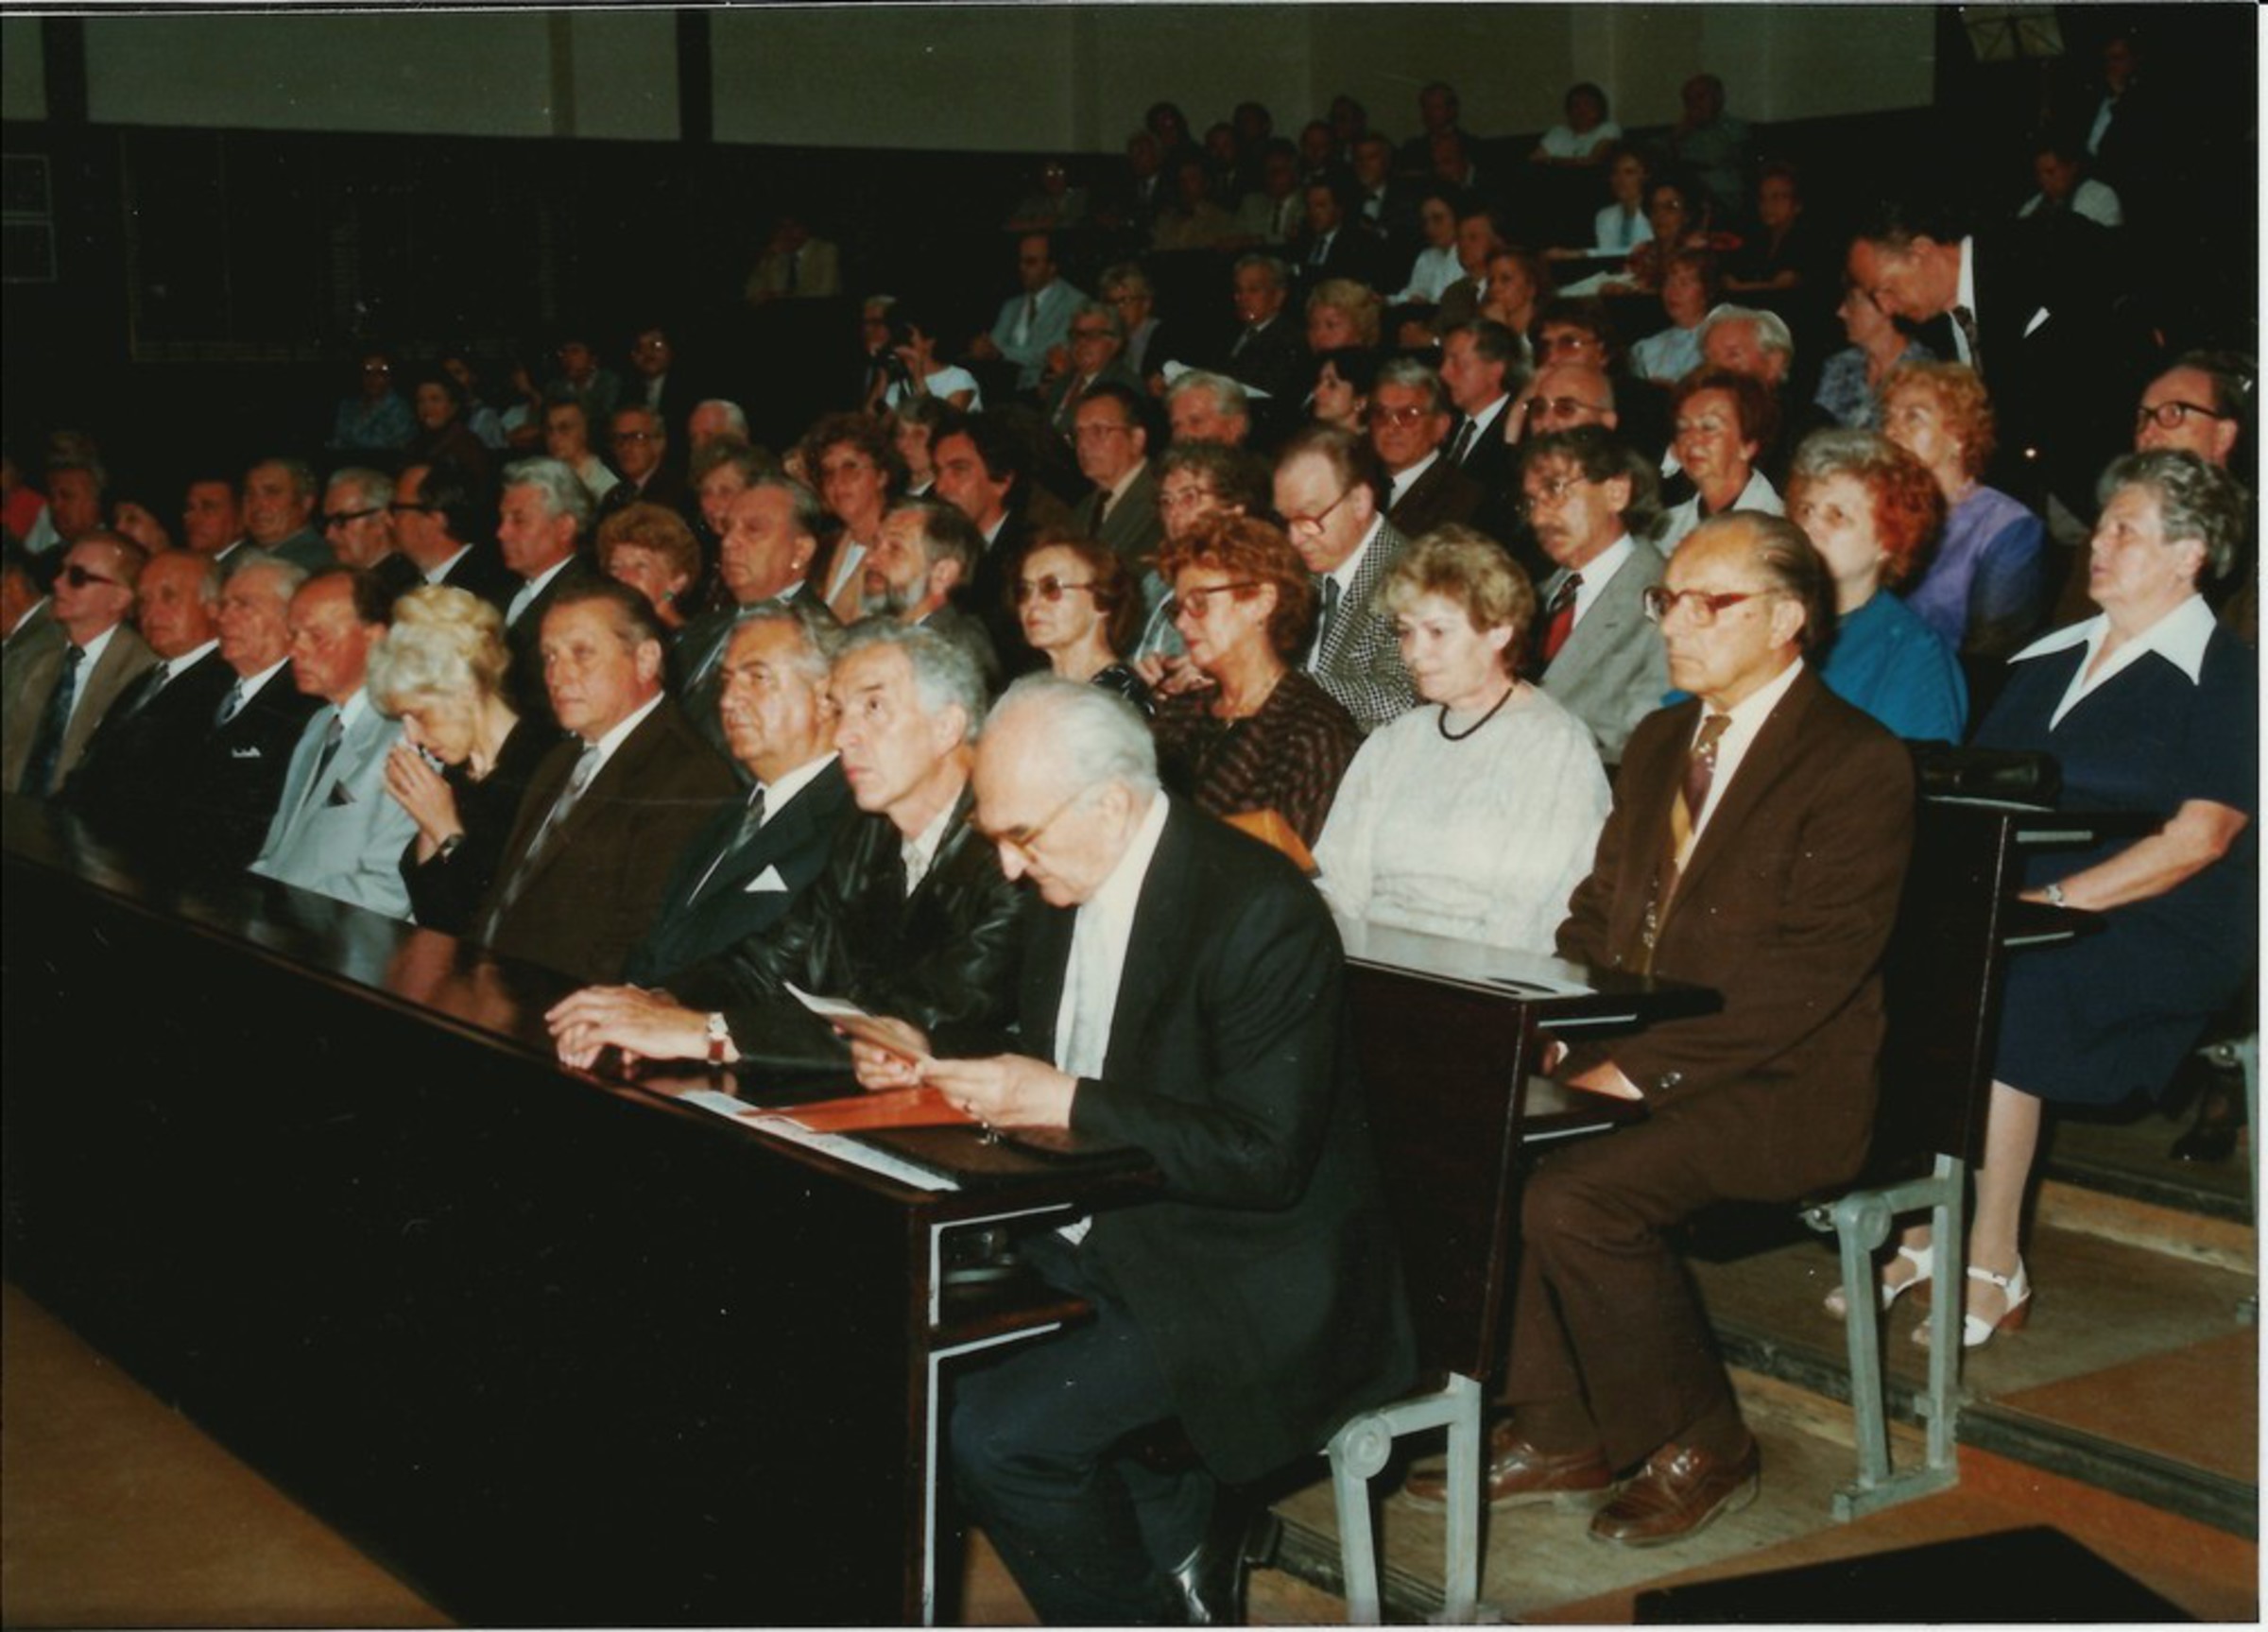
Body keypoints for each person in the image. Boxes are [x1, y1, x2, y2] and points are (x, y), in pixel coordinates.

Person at [849, 676, 1414, 1626]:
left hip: (1240, 1268)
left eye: (1021, 835)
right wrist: (923, 1043)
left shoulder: (1256, 908)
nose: (1009, 866)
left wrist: (1067, 1099)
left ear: (1110, 802)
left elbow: (1265, 1157)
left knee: (998, 1437)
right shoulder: (1070, 866)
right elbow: (1033, 1030)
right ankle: (1182, 1524)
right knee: (885, 1356)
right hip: (1103, 1226)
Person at [1408, 511, 1913, 1544]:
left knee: (1576, 1196)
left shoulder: (1855, 761)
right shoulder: (1656, 742)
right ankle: (1560, 1427)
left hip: (1781, 1085)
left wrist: (1637, 1072)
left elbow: (1807, 979)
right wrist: (1559, 1031)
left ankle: (1702, 1439)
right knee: (1470, 1149)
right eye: (1667, 599)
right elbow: (1595, 913)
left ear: (1788, 618)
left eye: (1709, 603)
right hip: (1646, 1052)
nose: (1675, 624)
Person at [1851, 453, 2254, 1349]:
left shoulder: (2229, 676)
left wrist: (2051, 901)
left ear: (2190, 553)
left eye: (2125, 530)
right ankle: (1920, 1233)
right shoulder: (2049, 656)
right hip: (2031, 900)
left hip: (2168, 915)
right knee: (1903, 963)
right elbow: (1977, 790)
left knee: (2008, 987)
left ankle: (1996, 1260)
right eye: (2101, 526)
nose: (2097, 544)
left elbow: (2201, 838)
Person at [546, 623, 1025, 1078]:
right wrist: (659, 1002)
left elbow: (911, 1027)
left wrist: (708, 1034)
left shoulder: (1015, 855)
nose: (843, 735)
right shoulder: (869, 834)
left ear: (947, 728)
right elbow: (772, 959)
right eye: (840, 710)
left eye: (873, 707)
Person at [1314, 528, 1607, 952]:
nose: (1414, 653)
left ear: (1499, 631)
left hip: (1474, 977)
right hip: (1369, 966)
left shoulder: (1554, 747)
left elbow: (1529, 924)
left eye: (1437, 631)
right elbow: (1340, 886)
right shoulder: (1397, 739)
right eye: (1405, 631)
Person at [475, 579, 738, 982]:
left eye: (582, 653)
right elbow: (504, 899)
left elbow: (635, 946)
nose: (557, 675)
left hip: (554, 1006)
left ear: (646, 659)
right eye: (549, 656)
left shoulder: (689, 777)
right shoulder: (561, 758)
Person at [621, 604, 857, 986]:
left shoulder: (852, 823)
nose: (728, 700)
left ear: (826, 695)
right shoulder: (730, 812)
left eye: (757, 677)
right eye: (727, 680)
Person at [1149, 513, 1362, 848]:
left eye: (1199, 604)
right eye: (1179, 609)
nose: (1183, 625)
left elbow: (1276, 869)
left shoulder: (1314, 734)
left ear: (1262, 602)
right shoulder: (1179, 713)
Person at [368, 585, 550, 935]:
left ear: (465, 689)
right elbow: (433, 913)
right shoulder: (458, 770)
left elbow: (490, 916)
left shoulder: (543, 763)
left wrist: (443, 827)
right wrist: (427, 820)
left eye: (419, 714)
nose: (412, 736)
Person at [249, 568, 420, 918]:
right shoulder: (319, 725)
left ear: (374, 639)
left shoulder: (408, 735)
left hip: (336, 936)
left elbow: (389, 888)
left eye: (316, 635)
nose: (294, 650)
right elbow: (279, 850)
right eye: (294, 635)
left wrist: (281, 913)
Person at [1784, 430, 1967, 742]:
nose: (1809, 526)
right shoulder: (1764, 619)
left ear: (1888, 541)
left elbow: (1900, 769)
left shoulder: (1913, 653)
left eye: (1837, 515)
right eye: (1805, 509)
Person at [58, 548, 232, 852]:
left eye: (169, 597)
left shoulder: (224, 684)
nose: (151, 613)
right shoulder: (149, 678)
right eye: (144, 601)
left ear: (214, 607)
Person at [1521, 426, 1674, 764]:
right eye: (1531, 501)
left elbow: (1646, 737)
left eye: (1555, 490)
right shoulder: (1533, 595)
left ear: (1617, 492)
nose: (1539, 517)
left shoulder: (1667, 599)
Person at [1880, 360, 2045, 662]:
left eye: (1913, 417)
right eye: (1889, 417)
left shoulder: (2006, 526)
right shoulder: (1878, 511)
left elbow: (1990, 656)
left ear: (1958, 437)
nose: (1891, 430)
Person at [176, 553, 325, 872]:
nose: (223, 618)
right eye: (224, 605)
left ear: (292, 619)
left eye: (243, 605)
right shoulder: (203, 684)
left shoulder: (307, 706)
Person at [1274, 424, 1416, 731]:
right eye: (1287, 521)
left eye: (1308, 518)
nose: (1295, 538)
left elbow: (1399, 702)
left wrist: (1279, 685)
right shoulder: (1300, 571)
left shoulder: (1414, 577)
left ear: (1359, 502)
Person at [1, 531, 155, 798]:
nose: (58, 583)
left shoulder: (142, 672)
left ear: (119, 598)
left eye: (77, 577)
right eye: (62, 571)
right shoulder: (42, 662)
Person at [1016, 534, 1150, 712]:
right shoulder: (1029, 695)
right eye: (1024, 591)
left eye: (1051, 587)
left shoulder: (1122, 699)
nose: (1031, 603)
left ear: (1103, 599)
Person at [1658, 369, 1784, 551]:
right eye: (1683, 428)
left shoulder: (1779, 529)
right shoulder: (1665, 527)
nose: (1691, 439)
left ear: (1747, 445)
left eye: (1709, 427)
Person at [804, 414, 903, 625]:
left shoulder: (901, 549)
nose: (838, 482)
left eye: (850, 468)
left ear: (881, 475)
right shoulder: (825, 548)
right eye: (828, 473)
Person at [969, 232, 1089, 394]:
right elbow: (993, 347)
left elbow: (1052, 352)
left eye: (1031, 262)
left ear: (1052, 267)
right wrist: (982, 348)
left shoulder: (1076, 303)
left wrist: (1000, 353)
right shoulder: (1011, 306)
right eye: (1020, 261)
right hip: (1004, 389)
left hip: (1045, 392)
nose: (1022, 268)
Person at [1813, 281, 1934, 432]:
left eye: (1852, 301)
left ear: (1886, 308)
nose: (1841, 312)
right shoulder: (1839, 366)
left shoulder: (1927, 373)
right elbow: (1819, 433)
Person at [596, 502, 702, 636]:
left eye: (641, 566)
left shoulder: (693, 642)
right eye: (615, 567)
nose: (623, 577)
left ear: (677, 582)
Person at [1629, 249, 1718, 385]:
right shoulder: (1645, 349)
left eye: (1684, 283)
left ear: (1707, 291)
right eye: (1668, 283)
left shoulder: (1722, 339)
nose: (1673, 292)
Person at [327, 351, 414, 455]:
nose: (373, 378)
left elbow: (390, 447)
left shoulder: (401, 409)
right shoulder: (347, 406)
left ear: (390, 376)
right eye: (367, 372)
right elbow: (337, 443)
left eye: (381, 372)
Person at [1530, 81, 1622, 165]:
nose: (1582, 110)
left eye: (1588, 104)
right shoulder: (1558, 132)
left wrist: (1551, 161)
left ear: (1599, 108)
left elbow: (1592, 161)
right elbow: (1536, 159)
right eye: (1576, 105)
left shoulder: (1608, 129)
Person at [1309, 346, 1382, 435]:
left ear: (1361, 401)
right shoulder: (1310, 438)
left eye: (1332, 385)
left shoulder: (1374, 442)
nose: (1317, 391)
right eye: (1318, 381)